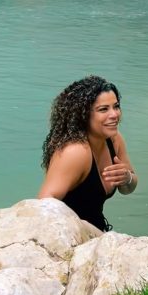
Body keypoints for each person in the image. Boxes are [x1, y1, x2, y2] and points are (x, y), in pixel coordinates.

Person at [37, 75, 137, 231]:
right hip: (71, 236)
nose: (114, 114)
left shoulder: (114, 140)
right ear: (83, 115)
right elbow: (45, 203)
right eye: (103, 109)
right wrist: (80, 232)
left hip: (97, 234)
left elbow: (128, 188)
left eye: (116, 106)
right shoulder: (76, 152)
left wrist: (127, 178)